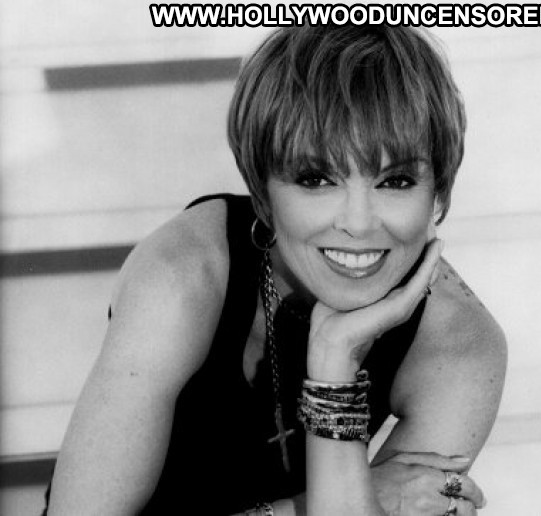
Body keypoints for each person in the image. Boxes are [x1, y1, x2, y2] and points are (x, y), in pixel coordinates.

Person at [44, 25, 507, 516]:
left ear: (437, 190)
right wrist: (351, 499)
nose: (358, 223)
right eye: (316, 179)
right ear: (263, 193)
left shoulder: (460, 344)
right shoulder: (181, 276)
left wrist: (334, 359)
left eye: (395, 181)